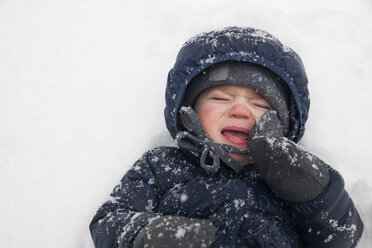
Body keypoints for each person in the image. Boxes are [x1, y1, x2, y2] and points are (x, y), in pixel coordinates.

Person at [89, 27, 364, 248]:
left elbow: (341, 236)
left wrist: (313, 191)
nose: (241, 110)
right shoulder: (161, 165)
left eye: (261, 106)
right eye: (221, 98)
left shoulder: (290, 174)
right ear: (189, 113)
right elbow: (109, 221)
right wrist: (148, 234)